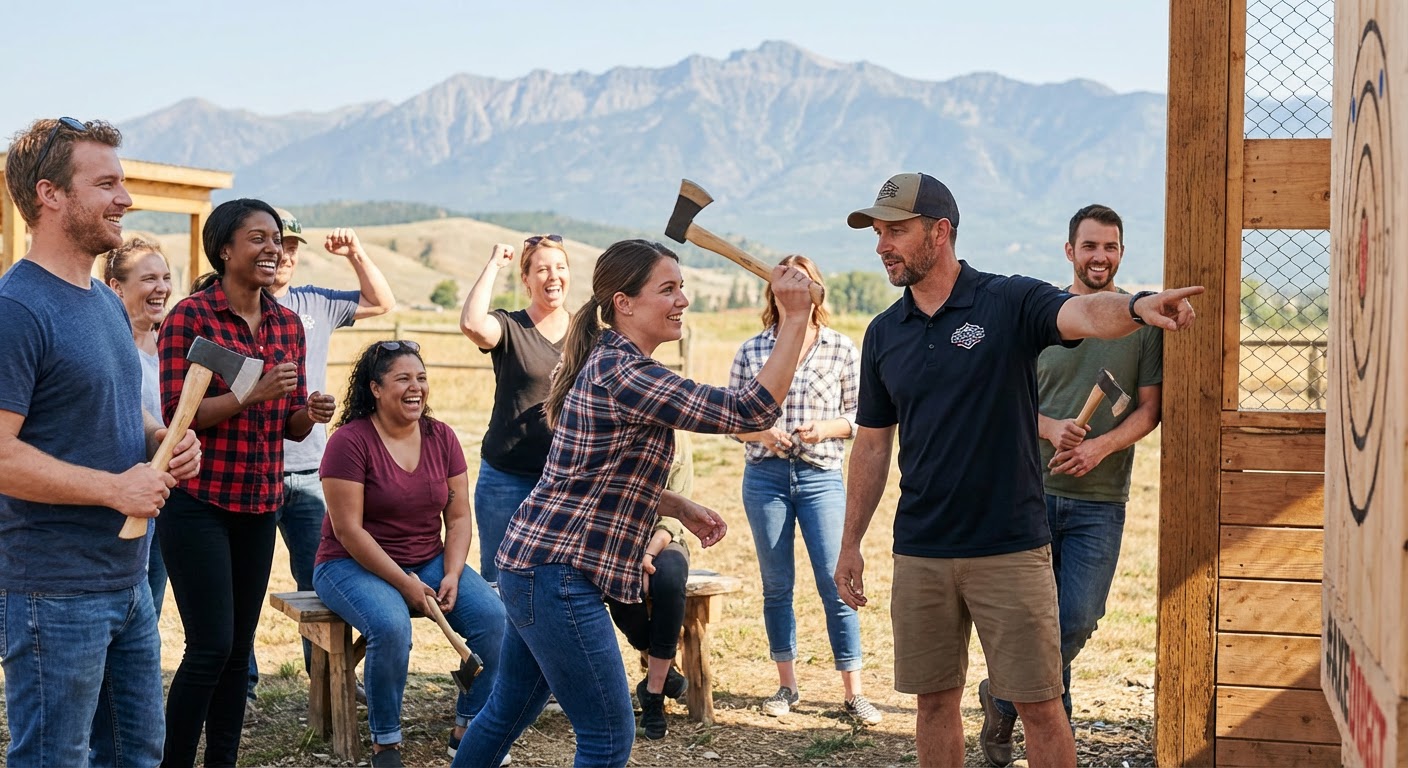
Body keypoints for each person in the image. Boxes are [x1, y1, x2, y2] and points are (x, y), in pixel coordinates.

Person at [833, 173, 1201, 768]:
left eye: (896, 231)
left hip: (1008, 546)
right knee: (933, 703)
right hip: (922, 548)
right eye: (878, 233)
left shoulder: (1007, 301)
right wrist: (851, 541)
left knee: (1040, 705)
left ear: (940, 231)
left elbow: (1083, 312)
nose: (882, 246)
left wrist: (1136, 307)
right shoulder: (883, 334)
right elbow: (872, 446)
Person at [452, 239, 818, 767]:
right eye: (667, 289)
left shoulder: (610, 360)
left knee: (507, 712)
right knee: (606, 735)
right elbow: (749, 410)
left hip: (536, 567)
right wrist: (795, 316)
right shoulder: (626, 372)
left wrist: (671, 502)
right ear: (624, 303)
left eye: (682, 287)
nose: (682, 300)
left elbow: (591, 473)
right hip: (555, 575)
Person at [0, 117, 200, 767]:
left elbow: (124, 415)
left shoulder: (104, 302)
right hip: (52, 590)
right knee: (56, 759)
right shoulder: (16, 309)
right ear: (50, 194)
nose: (126, 198)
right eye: (107, 183)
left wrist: (161, 441)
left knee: (138, 754)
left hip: (128, 584)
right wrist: (116, 489)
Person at [978, 204, 1164, 765]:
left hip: (1100, 502)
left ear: (1121, 253)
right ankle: (1050, 715)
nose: (1099, 257)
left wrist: (1099, 445)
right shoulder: (1043, 318)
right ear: (1070, 252)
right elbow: (1005, 400)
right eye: (1089, 246)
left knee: (1077, 617)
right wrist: (1050, 426)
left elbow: (1151, 410)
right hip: (1028, 495)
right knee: (1029, 620)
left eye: (1109, 247)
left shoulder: (1142, 325)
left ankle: (1002, 698)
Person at [157, 197, 338, 767]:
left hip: (260, 501)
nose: (272, 248)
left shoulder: (287, 324)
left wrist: (310, 411)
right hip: (198, 503)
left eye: (277, 238)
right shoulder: (191, 317)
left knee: (238, 650)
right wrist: (248, 394)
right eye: (257, 237)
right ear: (225, 249)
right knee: (208, 647)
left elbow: (286, 424)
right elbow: (174, 418)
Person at [314, 339, 505, 768]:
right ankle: (386, 743)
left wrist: (452, 572)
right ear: (376, 389)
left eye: (421, 378)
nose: (415, 387)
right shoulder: (349, 441)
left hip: (428, 558)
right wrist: (405, 584)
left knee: (494, 619)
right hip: (349, 563)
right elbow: (348, 531)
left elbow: (458, 519)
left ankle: (468, 730)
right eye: (402, 378)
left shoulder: (442, 438)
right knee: (391, 625)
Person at [247, 208, 395, 698]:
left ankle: (328, 679)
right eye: (273, 244)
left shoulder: (316, 302)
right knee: (241, 580)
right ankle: (240, 680)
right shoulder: (237, 308)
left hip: (312, 468)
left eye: (290, 246)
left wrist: (355, 253)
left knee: (321, 580)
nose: (282, 255)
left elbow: (381, 301)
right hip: (254, 466)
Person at [728, 255, 880, 725]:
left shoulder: (840, 348)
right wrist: (762, 433)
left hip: (820, 477)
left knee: (836, 584)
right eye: (786, 284)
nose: (795, 291)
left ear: (818, 291)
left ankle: (853, 692)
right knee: (777, 586)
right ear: (774, 293)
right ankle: (786, 685)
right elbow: (733, 422)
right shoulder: (753, 350)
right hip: (766, 478)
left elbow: (861, 417)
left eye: (805, 282)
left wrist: (826, 428)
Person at [457, 234, 570, 582]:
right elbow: (473, 325)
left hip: (566, 480)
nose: (553, 276)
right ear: (525, 279)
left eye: (561, 267)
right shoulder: (510, 326)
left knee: (561, 578)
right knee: (501, 579)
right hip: (506, 478)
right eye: (542, 270)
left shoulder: (586, 331)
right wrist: (493, 265)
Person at [604, 431, 695, 740]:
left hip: (663, 538)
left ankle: (653, 694)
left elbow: (676, 516)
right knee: (617, 582)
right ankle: (664, 669)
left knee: (669, 580)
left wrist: (648, 554)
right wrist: (632, 554)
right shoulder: (614, 430)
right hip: (616, 538)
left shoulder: (679, 439)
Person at [104, 236, 176, 617]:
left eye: (165, 277)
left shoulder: (171, 345)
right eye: (149, 279)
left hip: (167, 493)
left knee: (150, 604)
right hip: (122, 491)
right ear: (117, 287)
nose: (161, 287)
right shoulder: (109, 349)